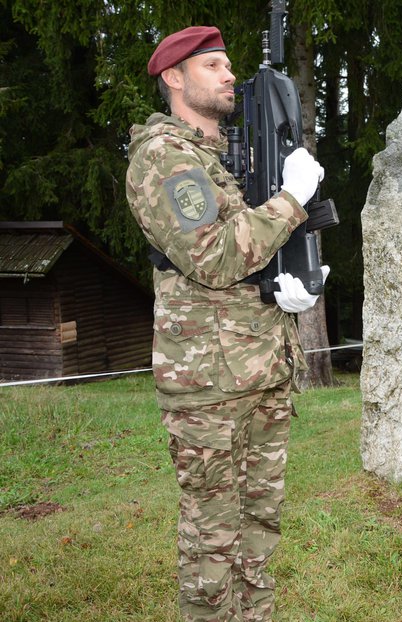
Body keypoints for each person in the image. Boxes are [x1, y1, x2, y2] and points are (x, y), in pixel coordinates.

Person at [126, 26, 327, 621]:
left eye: (228, 65)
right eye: (212, 65)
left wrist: (291, 288)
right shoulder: (165, 158)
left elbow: (256, 252)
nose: (227, 74)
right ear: (173, 78)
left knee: (260, 523)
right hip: (207, 382)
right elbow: (214, 255)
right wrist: (290, 202)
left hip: (262, 365)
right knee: (214, 535)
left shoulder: (229, 157)